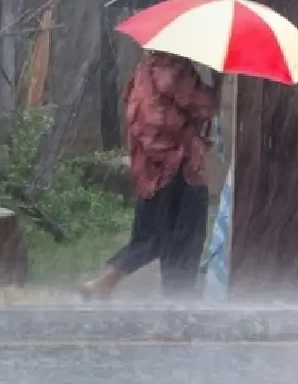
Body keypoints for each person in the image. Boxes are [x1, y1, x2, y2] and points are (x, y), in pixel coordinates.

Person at [80, 51, 217, 300]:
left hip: (150, 171)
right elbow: (204, 106)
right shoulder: (177, 72)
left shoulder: (144, 73)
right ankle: (178, 307)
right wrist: (216, 84)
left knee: (149, 237)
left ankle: (102, 284)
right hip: (180, 169)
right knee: (185, 242)